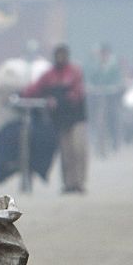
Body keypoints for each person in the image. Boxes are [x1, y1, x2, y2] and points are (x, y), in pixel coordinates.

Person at [22, 45, 89, 193]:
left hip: (77, 117)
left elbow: (77, 94)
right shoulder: (49, 75)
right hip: (60, 120)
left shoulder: (74, 72)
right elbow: (36, 88)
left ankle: (79, 182)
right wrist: (22, 94)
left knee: (78, 150)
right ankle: (68, 184)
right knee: (65, 153)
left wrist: (60, 100)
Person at [86, 44, 124, 157]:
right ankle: (97, 143)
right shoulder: (96, 66)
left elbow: (118, 79)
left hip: (111, 96)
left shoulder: (114, 66)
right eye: (102, 53)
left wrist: (115, 86)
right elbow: (91, 78)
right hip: (98, 96)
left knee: (113, 116)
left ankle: (115, 139)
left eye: (105, 53)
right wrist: (90, 86)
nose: (103, 56)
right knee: (95, 117)